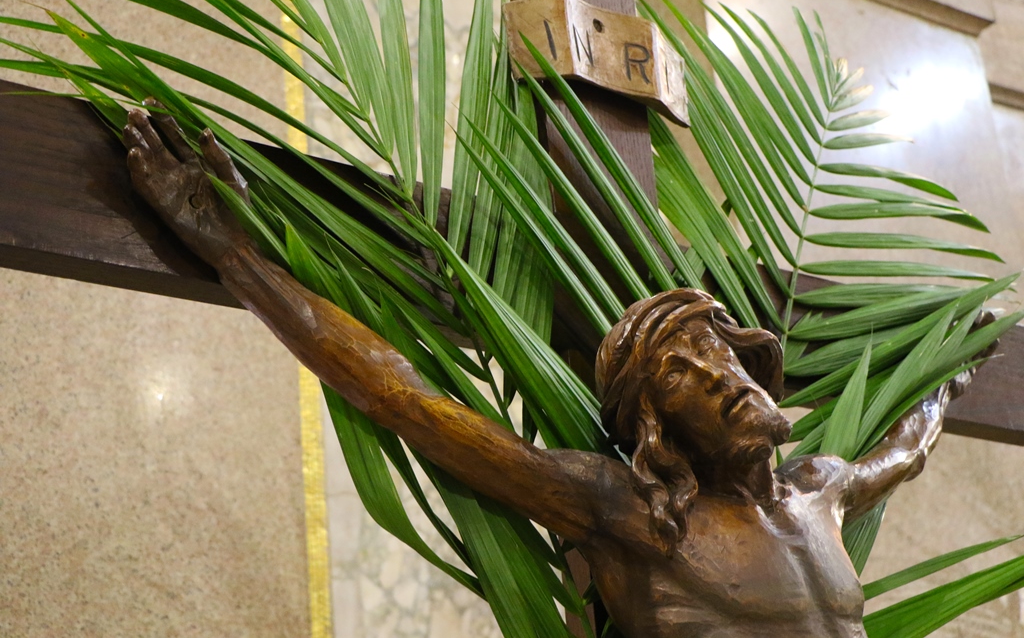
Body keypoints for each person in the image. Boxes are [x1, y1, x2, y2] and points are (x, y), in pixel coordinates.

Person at [123, 104, 970, 638]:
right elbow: (401, 397)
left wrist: (943, 370)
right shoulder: (635, 515)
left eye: (719, 351)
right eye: (681, 375)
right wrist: (233, 253)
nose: (718, 376)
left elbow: (909, 446)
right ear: (656, 428)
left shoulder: (821, 486)